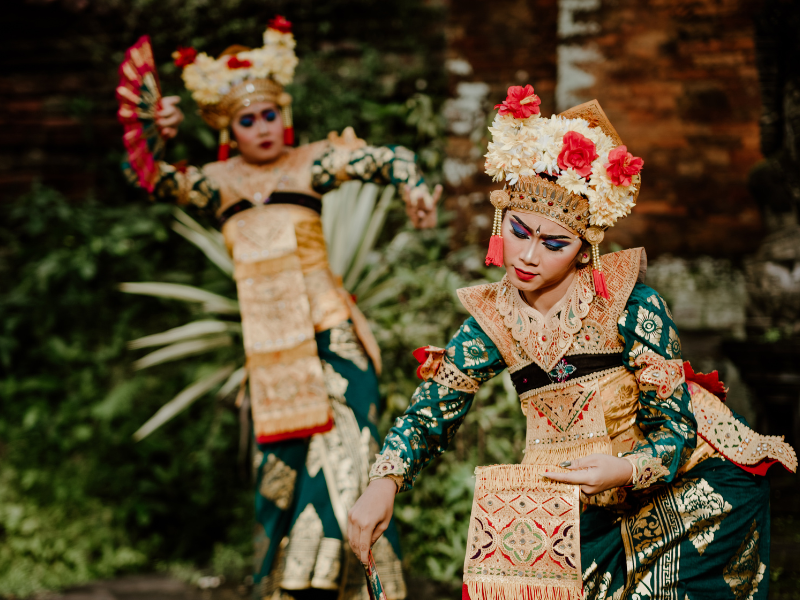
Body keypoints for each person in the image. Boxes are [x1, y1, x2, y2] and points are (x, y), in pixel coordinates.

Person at [347, 85, 796, 599]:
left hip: (661, 480)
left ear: (585, 251)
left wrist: (625, 469)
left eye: (554, 243)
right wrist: (383, 482)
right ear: (503, 221)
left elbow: (676, 430)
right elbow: (431, 412)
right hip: (563, 495)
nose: (529, 257)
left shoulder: (631, 305)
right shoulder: (492, 319)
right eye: (519, 232)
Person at [121, 17, 442, 600]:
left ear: (284, 116)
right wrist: (160, 135)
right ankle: (283, 588)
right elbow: (143, 175)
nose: (262, 128)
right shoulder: (214, 183)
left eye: (270, 115)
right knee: (280, 480)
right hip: (272, 356)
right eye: (247, 120)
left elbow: (388, 158)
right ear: (228, 128)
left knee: (354, 458)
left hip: (333, 339)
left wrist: (414, 188)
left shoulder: (310, 165)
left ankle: (358, 588)